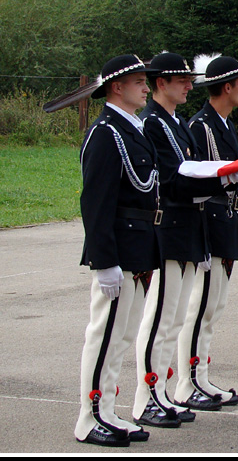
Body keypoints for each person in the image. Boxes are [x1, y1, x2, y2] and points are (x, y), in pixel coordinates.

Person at [134, 52, 238, 427]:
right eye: (182, 80)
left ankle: (170, 389)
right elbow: (174, 179)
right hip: (172, 226)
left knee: (176, 317)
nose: (191, 85)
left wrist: (231, 176)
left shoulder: (175, 123)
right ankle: (148, 395)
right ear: (161, 84)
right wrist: (225, 178)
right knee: (162, 318)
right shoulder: (154, 123)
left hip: (192, 225)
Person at [75, 54, 162, 447]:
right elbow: (95, 201)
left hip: (138, 246)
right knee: (105, 333)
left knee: (123, 336)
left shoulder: (132, 129)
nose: (147, 87)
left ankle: (108, 411)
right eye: (140, 81)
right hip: (118, 249)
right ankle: (88, 417)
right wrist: (103, 261)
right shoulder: (106, 132)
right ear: (117, 87)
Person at [175, 54, 238, 409]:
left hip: (226, 220)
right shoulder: (200, 127)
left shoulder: (224, 124)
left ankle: (202, 377)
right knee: (201, 306)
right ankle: (187, 382)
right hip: (209, 221)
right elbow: (195, 180)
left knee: (214, 306)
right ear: (226, 87)